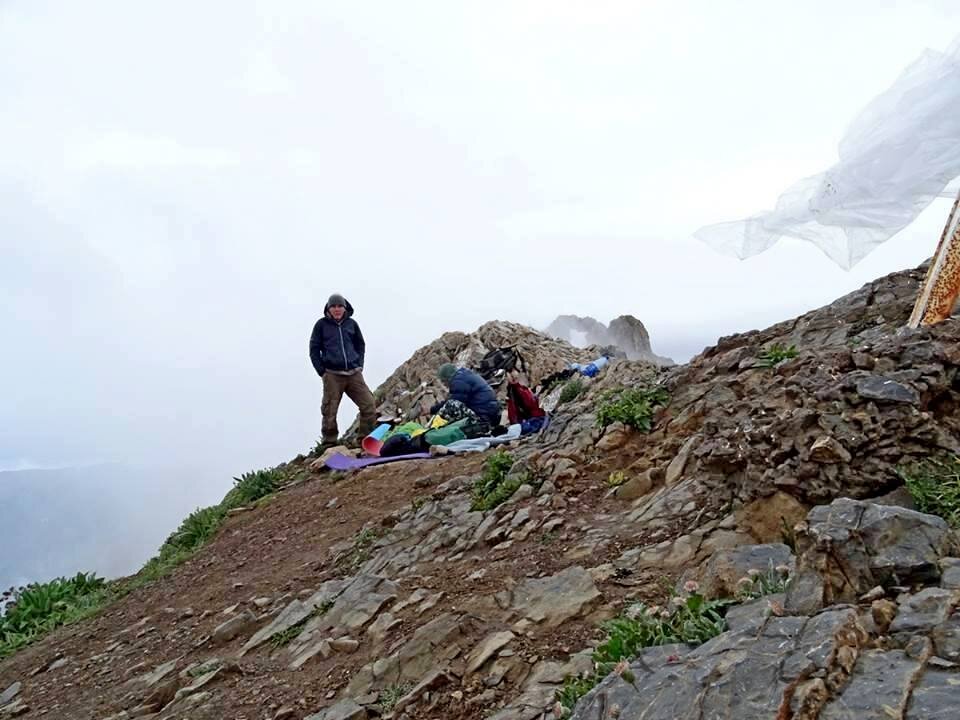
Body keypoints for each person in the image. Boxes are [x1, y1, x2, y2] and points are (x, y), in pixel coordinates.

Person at [309, 293, 377, 448]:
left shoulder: (352, 324)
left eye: (340, 306)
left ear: (345, 308)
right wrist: (322, 371)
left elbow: (360, 345)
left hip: (354, 373)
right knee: (329, 410)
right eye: (333, 306)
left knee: (369, 404)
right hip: (332, 374)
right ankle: (329, 443)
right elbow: (314, 349)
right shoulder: (321, 325)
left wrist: (359, 364)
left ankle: (364, 441)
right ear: (328, 308)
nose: (337, 309)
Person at [432, 363, 501, 428]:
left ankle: (432, 429)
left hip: (483, 418)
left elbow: (454, 402)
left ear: (448, 377)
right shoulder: (464, 375)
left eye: (443, 381)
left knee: (451, 406)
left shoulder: (459, 381)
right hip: (492, 414)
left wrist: (432, 410)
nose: (444, 384)